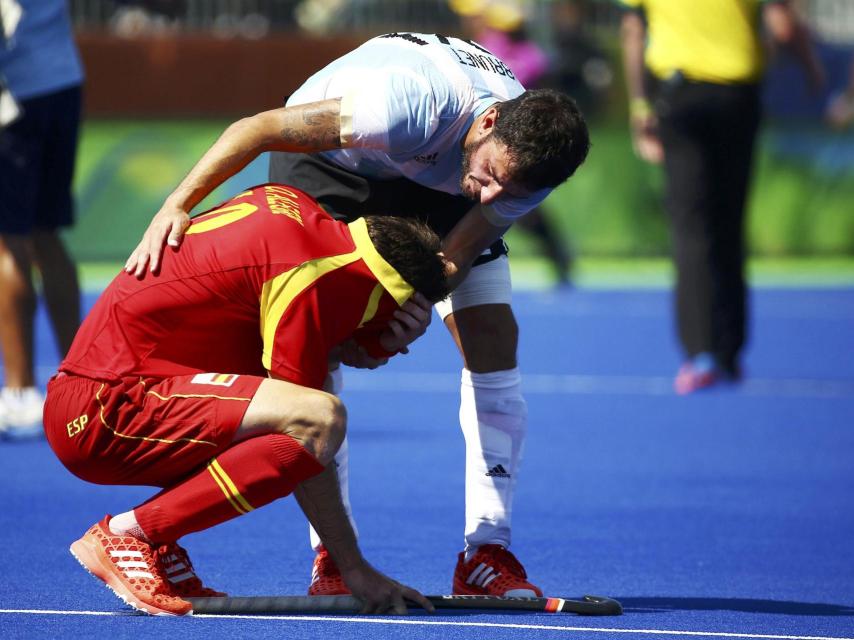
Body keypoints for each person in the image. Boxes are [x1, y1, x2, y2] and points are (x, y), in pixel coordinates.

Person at [125, 32, 590, 597]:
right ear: (488, 123)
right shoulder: (405, 103)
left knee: (490, 335)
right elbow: (256, 128)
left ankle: (487, 551)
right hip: (335, 170)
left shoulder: (526, 166)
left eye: (509, 192)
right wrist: (176, 204)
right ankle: (333, 558)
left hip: (437, 192)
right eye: (493, 178)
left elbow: (456, 254)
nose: (495, 197)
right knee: (310, 351)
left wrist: (414, 306)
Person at [43, 183, 447, 616]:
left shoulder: (294, 207)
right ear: (384, 298)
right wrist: (354, 567)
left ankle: (156, 539)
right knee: (320, 418)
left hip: (101, 395)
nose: (399, 346)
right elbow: (310, 427)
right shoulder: (314, 279)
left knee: (278, 401)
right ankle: (131, 534)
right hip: (105, 411)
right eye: (399, 328)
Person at [618, 0, 824, 394]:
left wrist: (640, 104)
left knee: (692, 228)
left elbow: (632, 31)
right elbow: (782, 25)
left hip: (680, 96)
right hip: (737, 96)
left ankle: (700, 353)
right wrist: (810, 67)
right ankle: (730, 353)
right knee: (729, 222)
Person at [0, 0, 82, 439]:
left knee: (8, 240)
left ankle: (20, 392)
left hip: (13, 97)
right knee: (46, 235)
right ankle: (81, 381)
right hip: (63, 81)